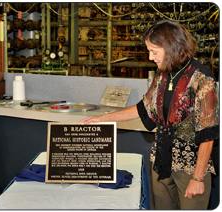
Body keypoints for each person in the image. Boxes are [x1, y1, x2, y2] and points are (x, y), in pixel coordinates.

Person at [81, 19, 219, 210]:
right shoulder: (163, 73)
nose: (150, 56)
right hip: (161, 161)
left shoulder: (202, 78)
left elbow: (208, 133)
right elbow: (144, 108)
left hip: (190, 167)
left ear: (171, 47)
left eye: (154, 51)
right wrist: (102, 119)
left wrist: (197, 177)